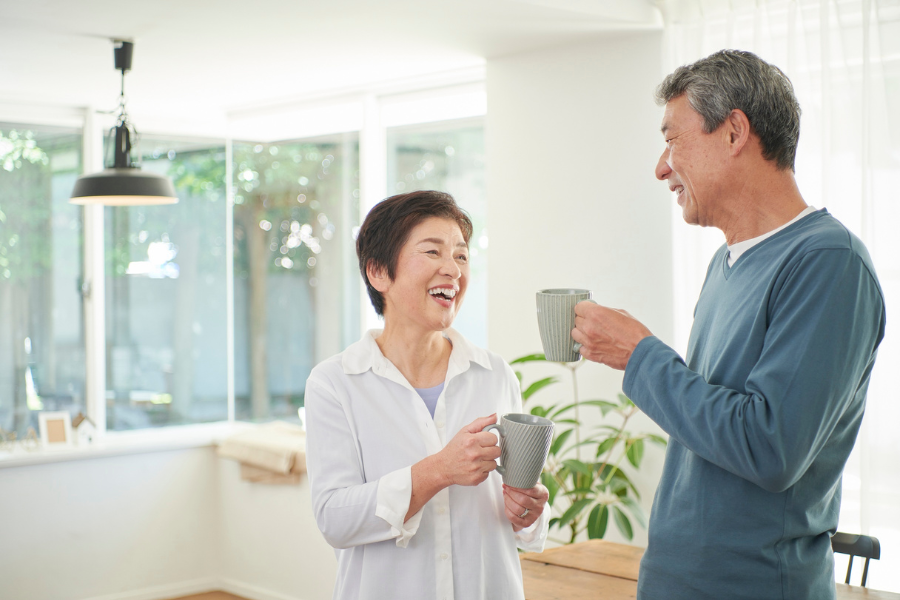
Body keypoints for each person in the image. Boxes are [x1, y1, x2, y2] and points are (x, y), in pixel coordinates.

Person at [571, 50, 885, 600]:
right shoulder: (726, 263)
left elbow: (770, 447)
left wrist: (639, 354)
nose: (661, 166)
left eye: (673, 139)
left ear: (734, 131)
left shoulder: (829, 263)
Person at [305, 190, 550, 600]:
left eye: (461, 255)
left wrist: (529, 510)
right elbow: (335, 519)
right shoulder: (335, 383)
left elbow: (518, 514)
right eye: (433, 252)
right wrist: (437, 471)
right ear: (379, 272)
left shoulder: (494, 374)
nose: (452, 269)